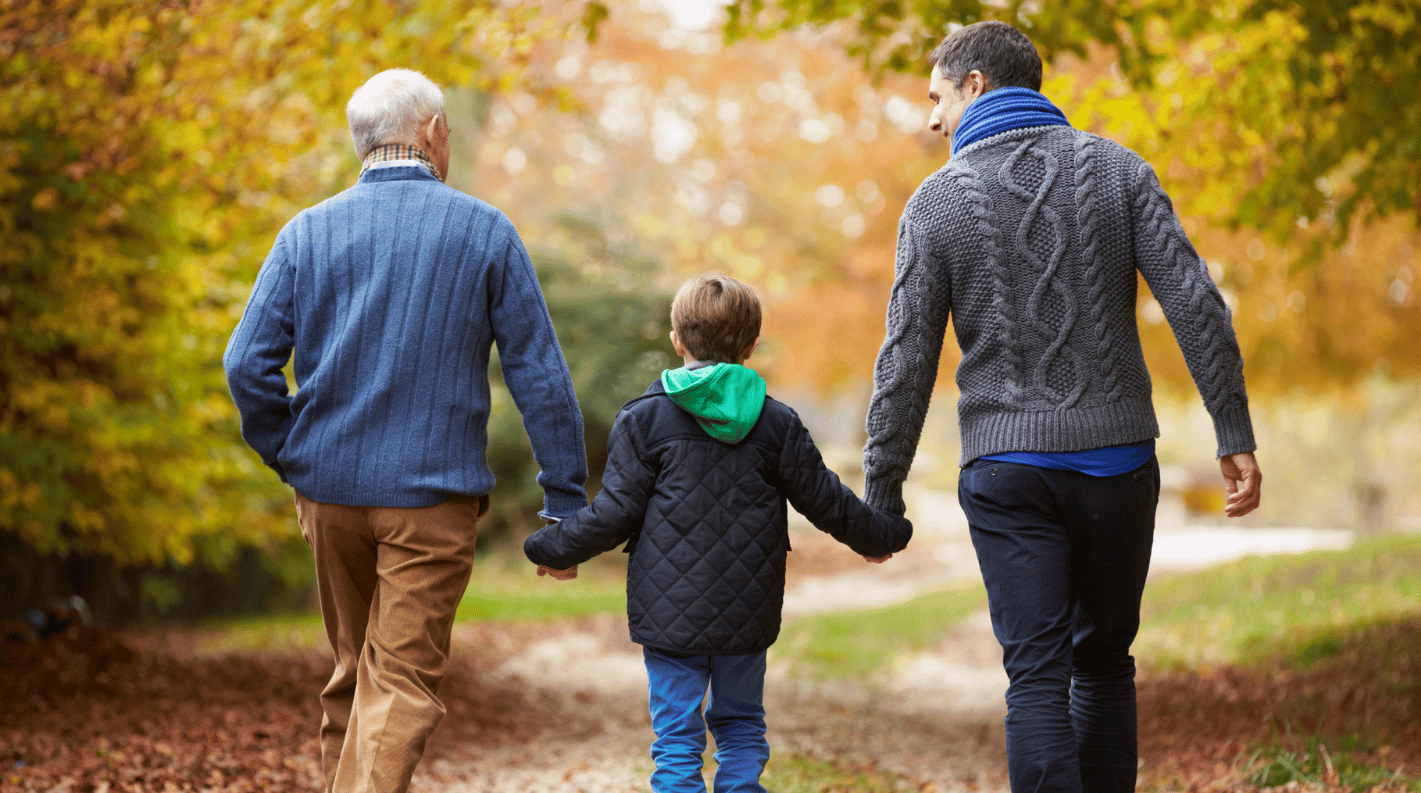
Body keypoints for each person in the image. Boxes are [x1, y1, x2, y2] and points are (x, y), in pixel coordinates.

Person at [859, 21, 1264, 793]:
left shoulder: (937, 202)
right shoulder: (1117, 170)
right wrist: (1231, 427)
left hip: (1009, 471)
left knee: (1037, 675)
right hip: (1118, 464)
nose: (930, 118)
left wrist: (882, 492)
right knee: (1104, 662)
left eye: (936, 96)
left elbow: (905, 359)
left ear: (976, 84)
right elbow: (1195, 302)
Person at [223, 68, 589, 793]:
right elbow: (540, 377)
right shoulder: (484, 231)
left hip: (328, 493)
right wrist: (567, 502)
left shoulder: (305, 232)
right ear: (431, 132)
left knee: (355, 673)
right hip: (431, 497)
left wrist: (293, 455)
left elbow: (245, 364)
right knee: (399, 684)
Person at [524, 274, 912, 793]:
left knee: (677, 741)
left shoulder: (645, 420)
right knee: (741, 727)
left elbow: (614, 512)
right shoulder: (777, 423)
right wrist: (879, 536)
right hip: (745, 612)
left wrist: (548, 547)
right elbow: (827, 500)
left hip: (668, 614)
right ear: (751, 345)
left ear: (677, 340)